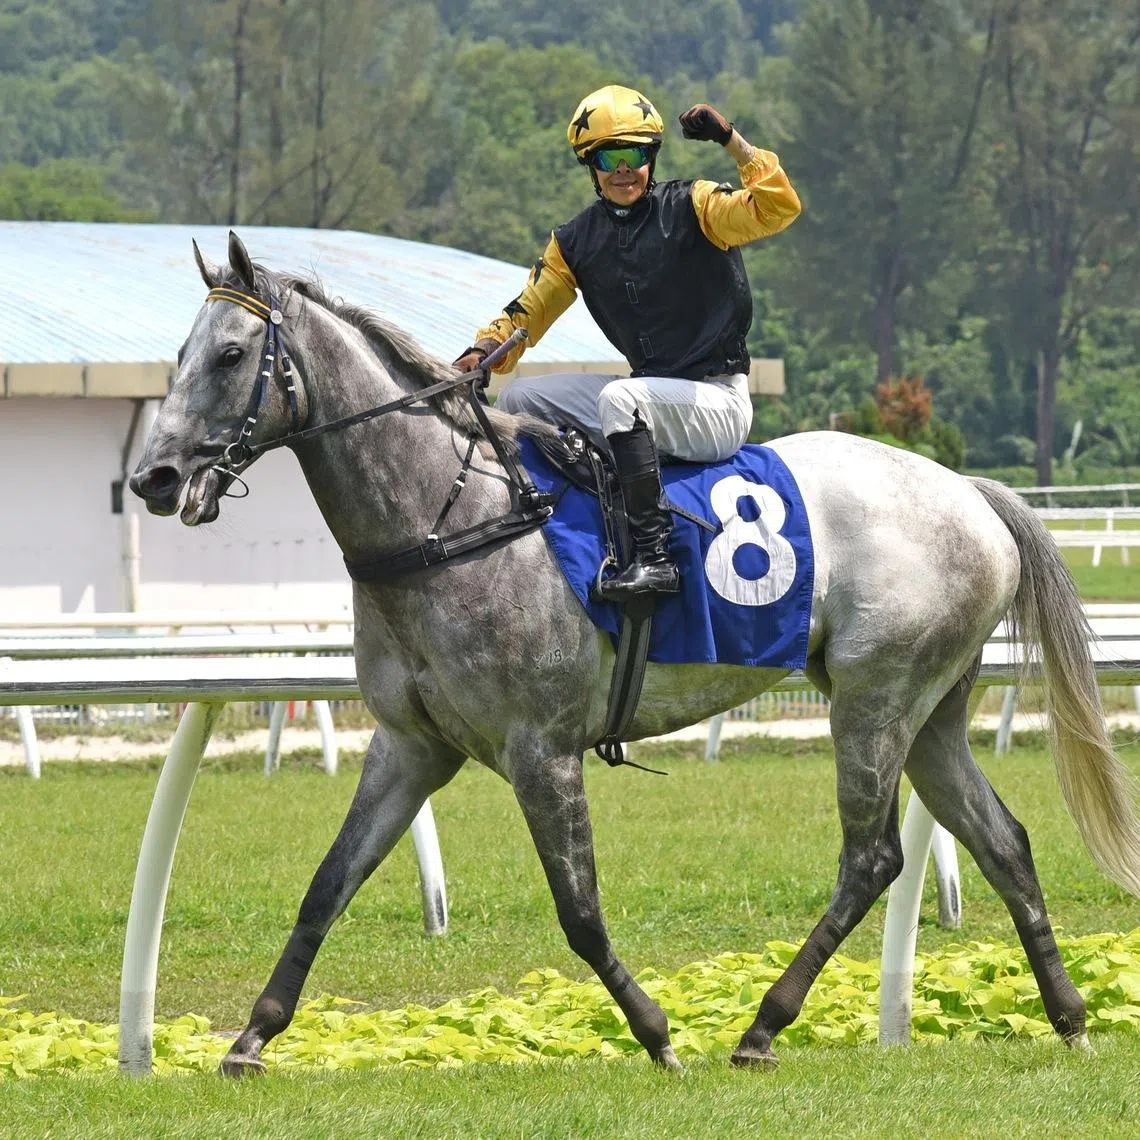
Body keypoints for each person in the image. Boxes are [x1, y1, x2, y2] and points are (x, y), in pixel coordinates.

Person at [454, 84, 801, 602]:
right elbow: (528, 311)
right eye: (608, 157)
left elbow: (778, 208)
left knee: (621, 398)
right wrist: (483, 354)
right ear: (590, 165)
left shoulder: (698, 205)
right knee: (519, 400)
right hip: (653, 398)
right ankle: (557, 528)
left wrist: (732, 141)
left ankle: (654, 557)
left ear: (650, 157)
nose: (622, 169)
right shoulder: (574, 241)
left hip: (717, 403)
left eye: (634, 154)